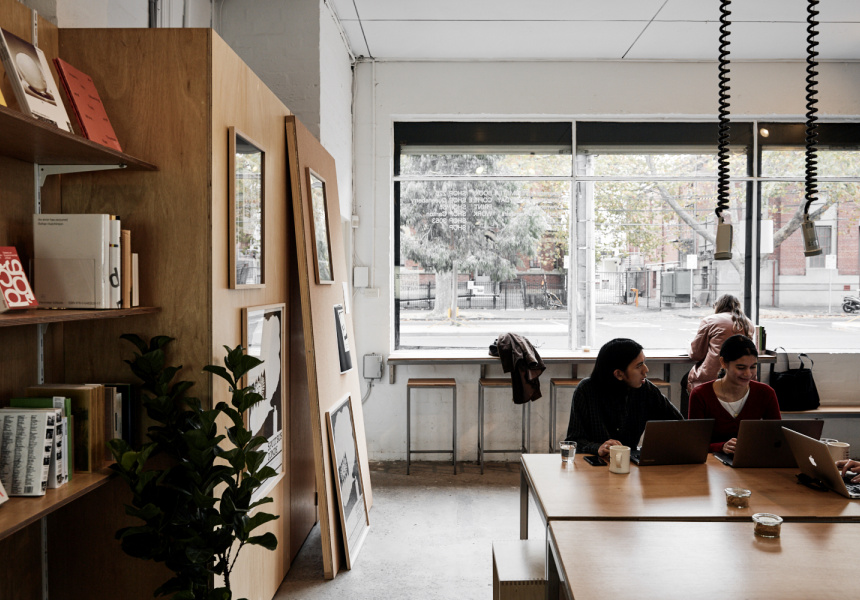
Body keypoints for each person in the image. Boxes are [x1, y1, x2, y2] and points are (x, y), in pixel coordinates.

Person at [564, 338, 683, 457]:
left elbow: (680, 427)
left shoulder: (646, 389)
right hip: (593, 465)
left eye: (644, 362)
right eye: (639, 366)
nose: (646, 370)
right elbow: (574, 441)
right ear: (619, 374)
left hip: (631, 465)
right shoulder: (586, 390)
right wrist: (598, 447)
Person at [688, 334, 780, 454]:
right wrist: (721, 447)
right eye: (741, 367)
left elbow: (778, 437)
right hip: (712, 464)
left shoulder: (766, 393)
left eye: (753, 367)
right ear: (723, 363)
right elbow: (694, 443)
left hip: (751, 460)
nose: (748, 374)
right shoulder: (700, 395)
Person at [683, 294, 754, 414]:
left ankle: (689, 423)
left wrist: (688, 347)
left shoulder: (710, 320)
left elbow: (696, 354)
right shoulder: (747, 323)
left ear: (717, 306)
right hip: (742, 377)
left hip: (712, 375)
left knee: (684, 380)